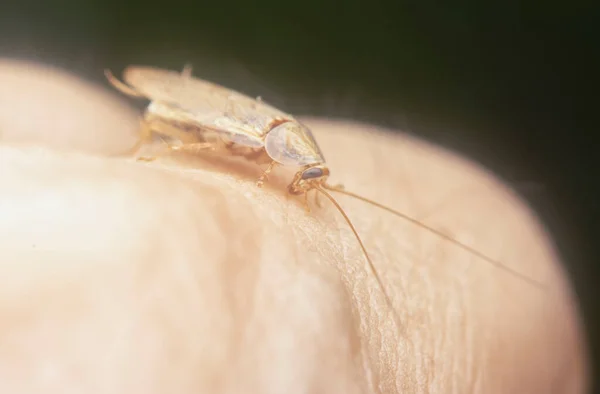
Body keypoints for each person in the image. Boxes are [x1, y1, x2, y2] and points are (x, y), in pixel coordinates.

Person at [0, 59, 588, 393]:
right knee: (189, 140)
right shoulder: (270, 145)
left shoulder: (283, 154)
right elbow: (232, 143)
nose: (307, 182)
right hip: (200, 118)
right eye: (307, 173)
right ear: (290, 152)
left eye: (308, 174)